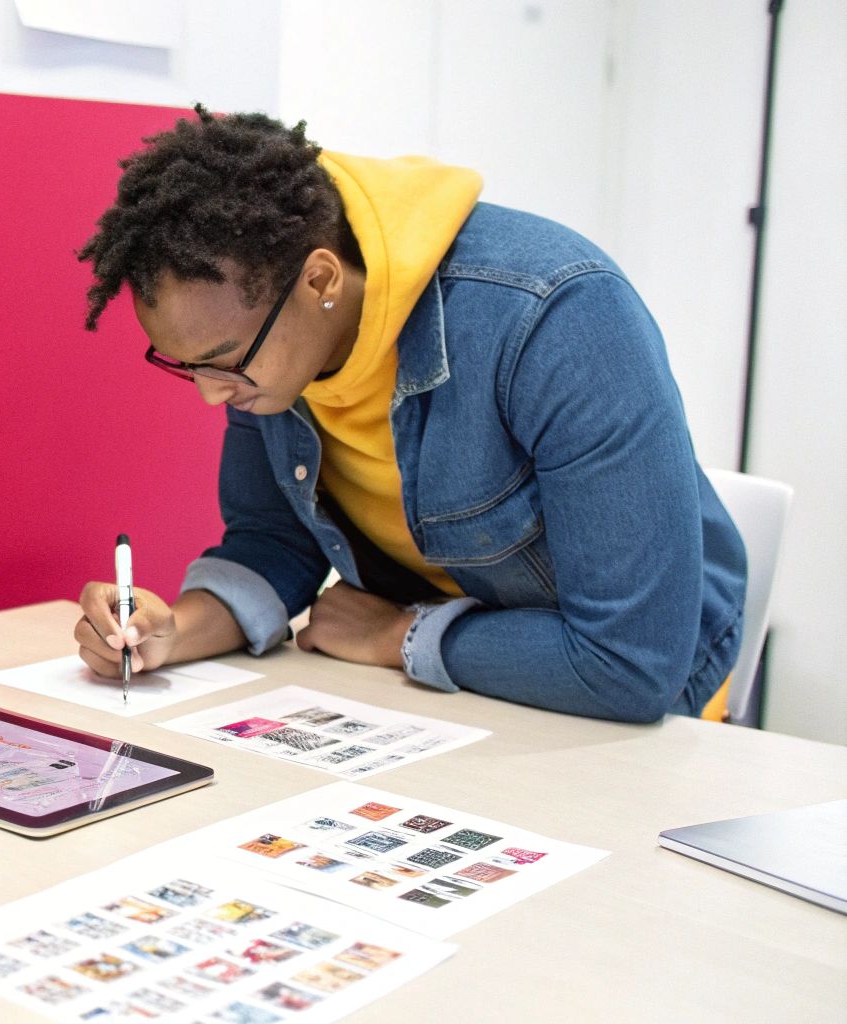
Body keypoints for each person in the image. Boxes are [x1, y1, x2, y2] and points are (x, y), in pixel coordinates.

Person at [71, 107, 745, 724]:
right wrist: (170, 632)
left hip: (633, 706)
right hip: (442, 694)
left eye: (222, 362)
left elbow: (631, 663)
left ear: (321, 282)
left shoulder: (559, 317)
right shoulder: (268, 344)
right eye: (187, 366)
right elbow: (274, 541)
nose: (211, 395)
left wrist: (402, 635)